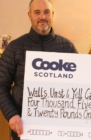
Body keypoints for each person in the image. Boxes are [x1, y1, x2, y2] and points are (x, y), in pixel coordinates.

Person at [0, 0, 77, 140]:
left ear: (52, 14)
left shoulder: (68, 48)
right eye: (37, 12)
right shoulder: (15, 47)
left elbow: (79, 86)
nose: (42, 16)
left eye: (46, 12)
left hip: (59, 129)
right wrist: (11, 114)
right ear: (29, 15)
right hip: (24, 128)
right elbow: (1, 85)